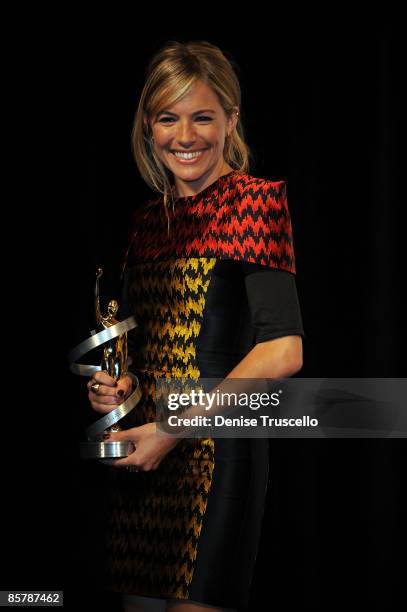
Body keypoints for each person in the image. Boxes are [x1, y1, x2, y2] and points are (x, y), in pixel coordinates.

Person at [87, 40, 305, 612]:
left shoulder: (256, 204)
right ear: (149, 127)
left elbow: (283, 352)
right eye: (168, 118)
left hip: (215, 453)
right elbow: (147, 350)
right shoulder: (145, 222)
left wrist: (172, 429)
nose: (185, 136)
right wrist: (119, 388)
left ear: (231, 121)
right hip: (142, 459)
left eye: (202, 116)